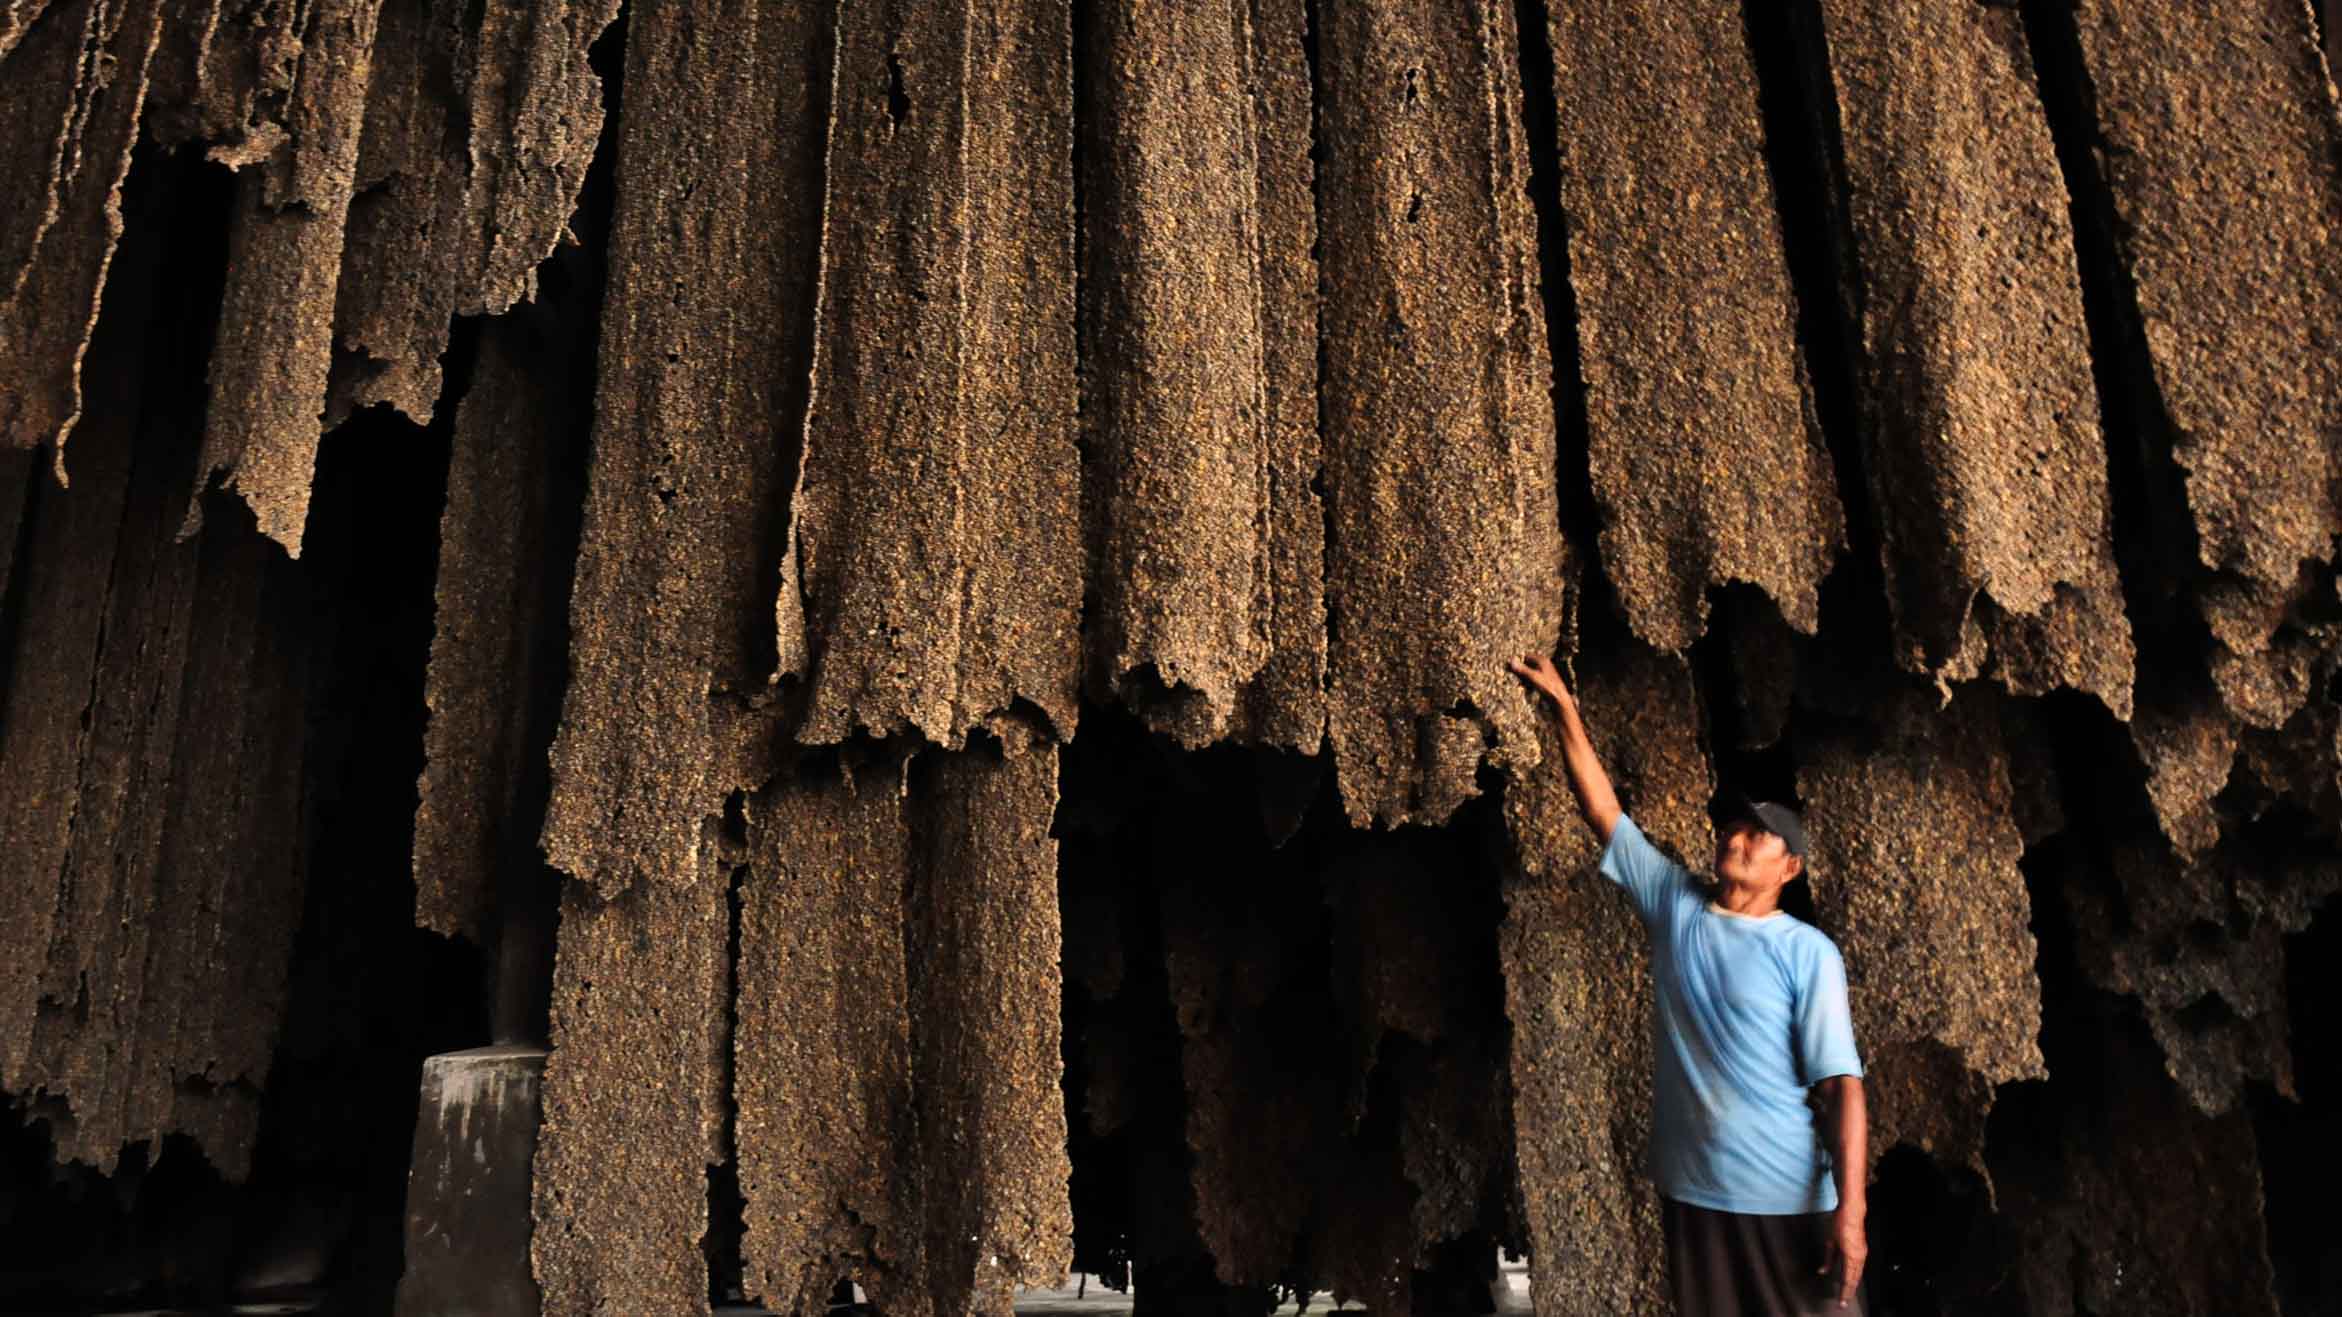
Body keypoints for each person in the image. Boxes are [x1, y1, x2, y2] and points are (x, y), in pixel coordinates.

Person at [1508, 652, 1870, 1316]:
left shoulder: (1807, 952)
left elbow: (1842, 1086)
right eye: (1734, 824)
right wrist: (1563, 706)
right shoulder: (1675, 903)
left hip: (1788, 1198)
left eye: (1760, 833)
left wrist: (1853, 1212)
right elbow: (1603, 808)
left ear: (1789, 866)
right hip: (1696, 1194)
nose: (1738, 836)